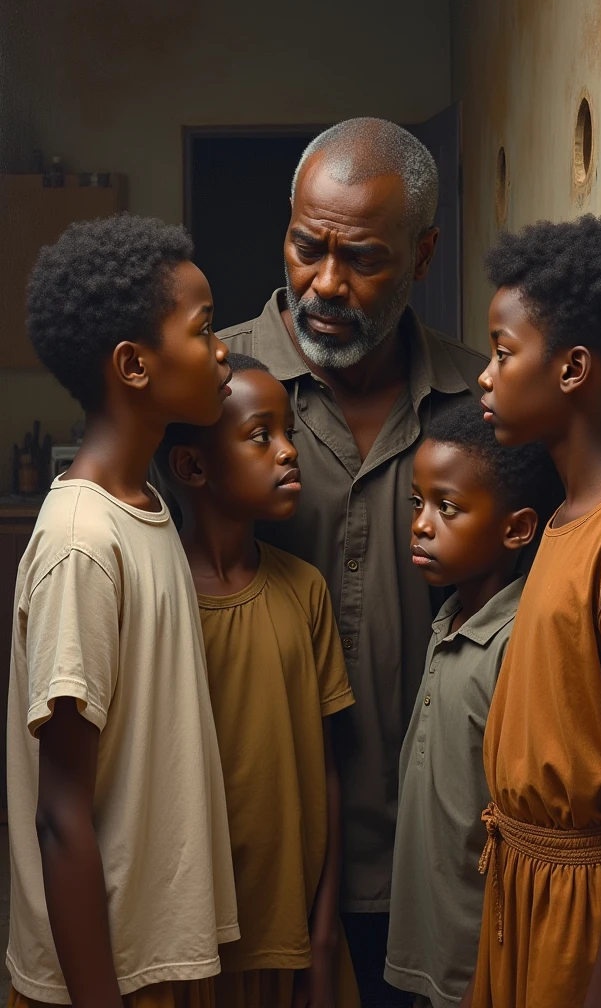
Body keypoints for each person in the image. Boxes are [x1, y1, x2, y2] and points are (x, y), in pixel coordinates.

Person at [214, 118, 487, 1006]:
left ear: (424, 254)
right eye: (306, 247)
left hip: (440, 877)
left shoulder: (483, 410)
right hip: (251, 875)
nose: (324, 284)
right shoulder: (206, 396)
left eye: (363, 258)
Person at [7, 215, 239, 1008]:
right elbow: (61, 815)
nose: (223, 350)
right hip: (103, 981)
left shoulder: (145, 504)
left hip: (157, 959)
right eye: (204, 329)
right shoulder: (81, 541)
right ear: (134, 365)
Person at [466, 214, 601, 1008]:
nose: (486, 376)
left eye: (502, 351)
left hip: (588, 916)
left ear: (573, 370)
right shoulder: (562, 522)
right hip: (524, 896)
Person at [154, 352, 360, 1008]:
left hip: (290, 940)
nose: (288, 452)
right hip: (181, 945)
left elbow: (327, 770)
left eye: (289, 434)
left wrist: (322, 941)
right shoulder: (159, 598)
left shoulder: (306, 593)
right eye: (260, 435)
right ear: (192, 466)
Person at [384, 400, 564, 1008]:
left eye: (448, 508)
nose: (422, 524)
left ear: (516, 529)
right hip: (430, 944)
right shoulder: (450, 621)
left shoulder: (517, 642)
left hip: (481, 959)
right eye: (418, 503)